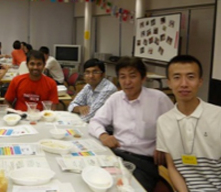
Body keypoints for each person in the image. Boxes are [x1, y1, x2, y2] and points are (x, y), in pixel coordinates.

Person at [88, 56, 174, 192]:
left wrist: (163, 145)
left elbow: (175, 128)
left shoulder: (158, 99)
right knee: (95, 182)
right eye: (122, 77)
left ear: (143, 78)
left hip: (144, 162)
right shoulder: (115, 99)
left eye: (132, 76)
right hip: (116, 155)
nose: (127, 82)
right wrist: (103, 135)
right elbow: (95, 121)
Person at [157, 55, 221, 192]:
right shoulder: (163, 121)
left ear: (200, 82)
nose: (184, 84)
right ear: (169, 82)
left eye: (191, 77)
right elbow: (172, 167)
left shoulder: (218, 116)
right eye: (177, 77)